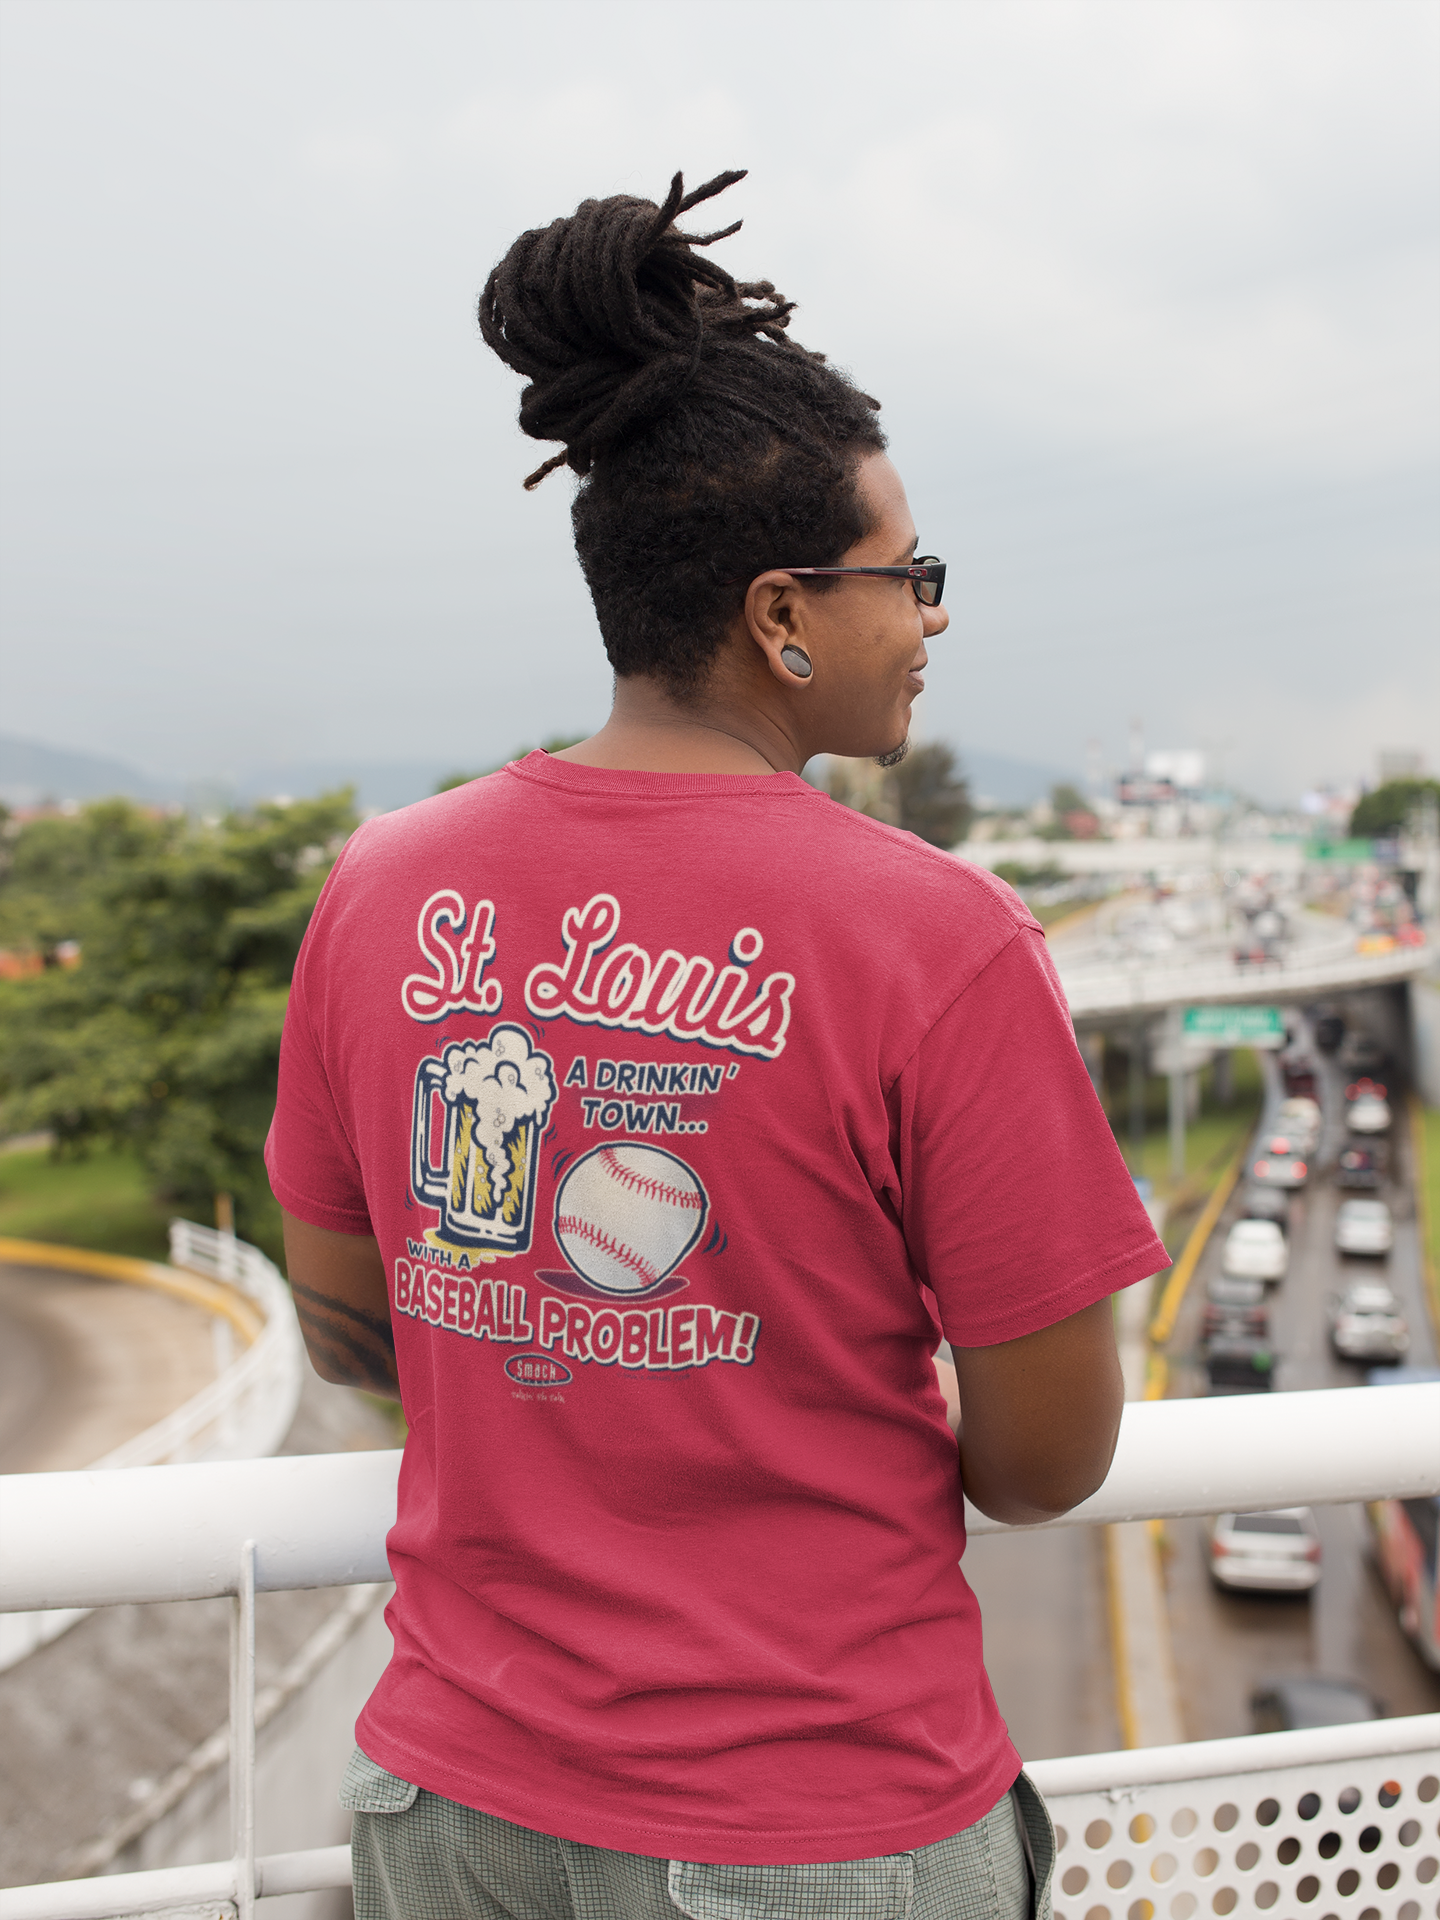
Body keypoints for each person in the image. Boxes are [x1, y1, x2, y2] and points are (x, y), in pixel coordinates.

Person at [266, 168, 1167, 1920]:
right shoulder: (940, 938)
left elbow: (351, 1325)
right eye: (909, 576)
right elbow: (1046, 1461)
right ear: (781, 614)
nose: (931, 616)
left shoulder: (381, 887)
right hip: (817, 1818)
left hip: (450, 1809)